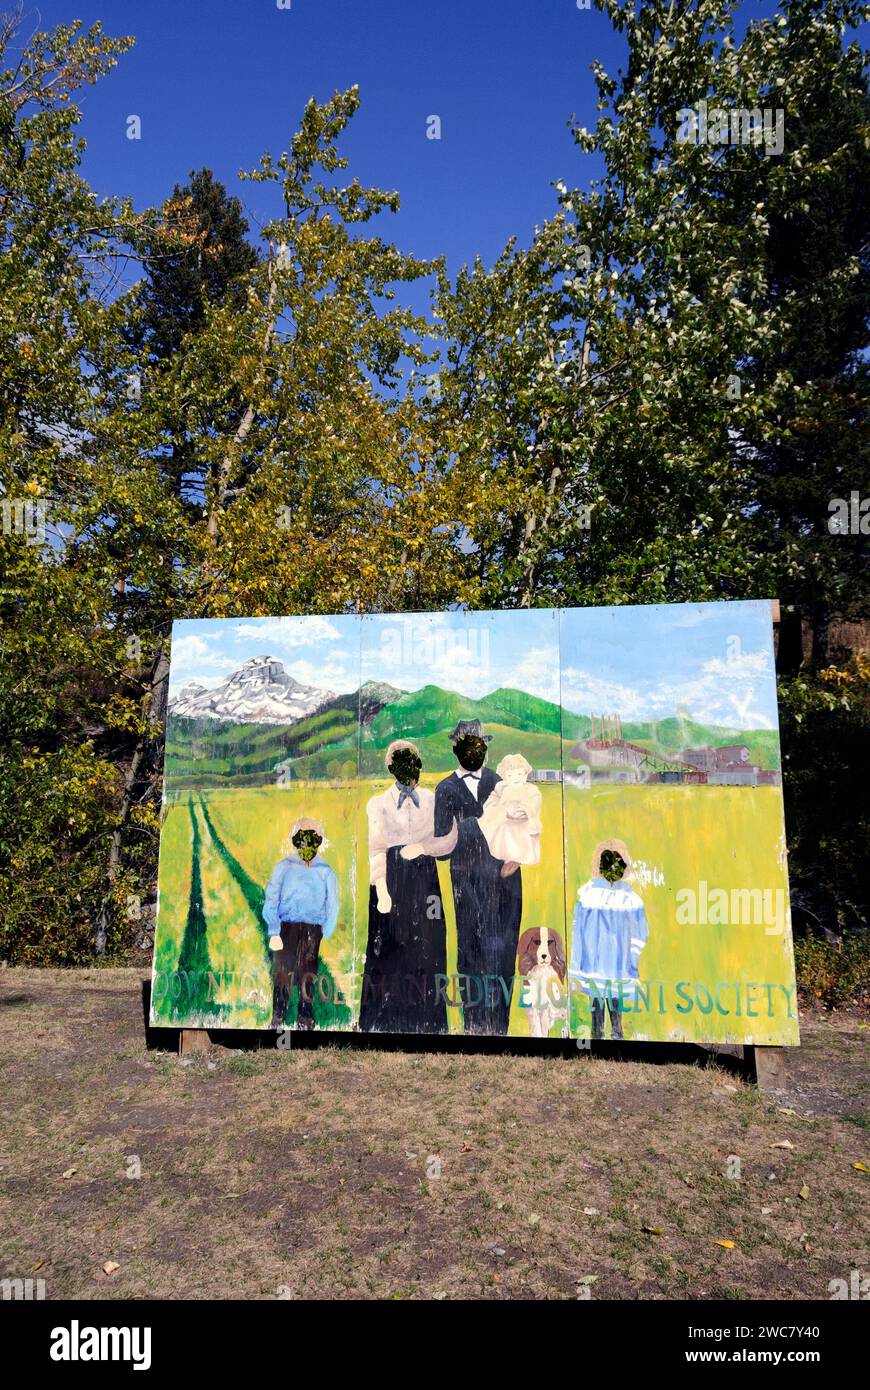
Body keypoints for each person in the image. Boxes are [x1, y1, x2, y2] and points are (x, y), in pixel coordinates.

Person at [359, 740, 457, 1034]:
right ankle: (384, 1023)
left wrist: (423, 846)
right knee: (389, 951)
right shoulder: (377, 804)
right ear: (391, 768)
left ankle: (428, 1023)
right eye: (402, 763)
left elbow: (449, 840)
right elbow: (376, 849)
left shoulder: (432, 799)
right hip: (391, 879)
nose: (410, 769)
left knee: (428, 948)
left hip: (425, 880)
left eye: (414, 761)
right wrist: (382, 891)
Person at [434, 720, 523, 1035]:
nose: (476, 751)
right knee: (470, 953)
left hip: (505, 883)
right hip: (467, 885)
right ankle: (475, 1028)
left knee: (501, 954)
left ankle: (500, 1028)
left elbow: (521, 825)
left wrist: (514, 858)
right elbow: (443, 849)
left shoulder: (500, 782)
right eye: (469, 745)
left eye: (480, 746)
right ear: (456, 749)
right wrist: (467, 828)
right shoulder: (445, 789)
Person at [568, 839, 649, 1040]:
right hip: (610, 965)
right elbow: (641, 930)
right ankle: (609, 1035)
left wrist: (577, 965)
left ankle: (607, 1034)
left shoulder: (590, 895)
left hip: (602, 965)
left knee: (606, 998)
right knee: (606, 998)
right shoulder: (596, 896)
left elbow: (578, 932)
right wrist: (632, 958)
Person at [263, 817, 338, 1030]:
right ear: (295, 841)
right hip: (286, 927)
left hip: (313, 930)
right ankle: (278, 1018)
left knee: (307, 975)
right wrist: (274, 931)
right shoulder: (284, 867)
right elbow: (272, 897)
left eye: (312, 838)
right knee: (282, 974)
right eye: (301, 838)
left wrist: (325, 930)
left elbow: (332, 904)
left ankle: (305, 1020)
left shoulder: (325, 871)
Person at [478, 752, 542, 876]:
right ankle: (504, 857)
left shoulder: (530, 790)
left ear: (525, 775)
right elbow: (490, 805)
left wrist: (524, 810)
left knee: (514, 831)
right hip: (506, 820)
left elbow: (534, 803)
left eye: (519, 774)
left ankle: (515, 859)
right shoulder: (503, 790)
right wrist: (503, 810)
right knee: (498, 827)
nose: (515, 778)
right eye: (510, 775)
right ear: (505, 777)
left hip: (522, 824)